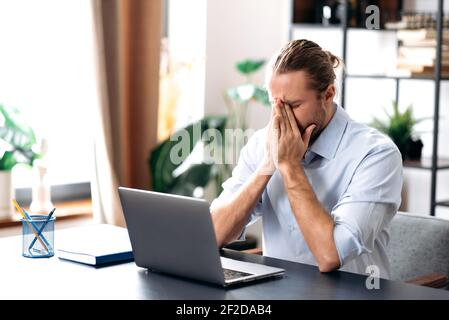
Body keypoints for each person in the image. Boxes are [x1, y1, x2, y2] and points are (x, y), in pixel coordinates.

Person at [210, 39, 403, 278]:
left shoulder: (376, 155)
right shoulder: (263, 143)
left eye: (293, 105)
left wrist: (290, 166)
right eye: (275, 103)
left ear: (328, 94)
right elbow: (213, 233)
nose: (281, 116)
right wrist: (268, 164)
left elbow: (330, 256)